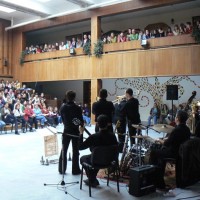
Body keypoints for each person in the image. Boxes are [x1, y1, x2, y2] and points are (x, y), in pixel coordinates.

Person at [149, 110, 191, 192]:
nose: (175, 118)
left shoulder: (176, 130)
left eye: (175, 116)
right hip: (182, 152)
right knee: (160, 155)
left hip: (173, 153)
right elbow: (175, 140)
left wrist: (159, 140)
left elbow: (166, 144)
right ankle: (159, 179)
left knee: (154, 152)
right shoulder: (187, 129)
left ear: (178, 118)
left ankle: (156, 181)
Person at [79, 114, 118, 187]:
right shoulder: (113, 136)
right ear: (108, 124)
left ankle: (92, 179)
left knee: (83, 158)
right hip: (109, 161)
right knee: (96, 157)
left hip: (96, 161)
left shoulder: (94, 137)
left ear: (97, 124)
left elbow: (80, 147)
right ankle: (92, 179)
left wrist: (81, 133)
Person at [58, 90, 84, 175]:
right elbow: (80, 121)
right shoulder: (77, 108)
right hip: (75, 131)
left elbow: (62, 119)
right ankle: (75, 170)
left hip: (66, 130)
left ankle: (62, 169)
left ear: (67, 97)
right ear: (74, 97)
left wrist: (67, 123)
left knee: (64, 150)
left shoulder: (63, 107)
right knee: (75, 151)